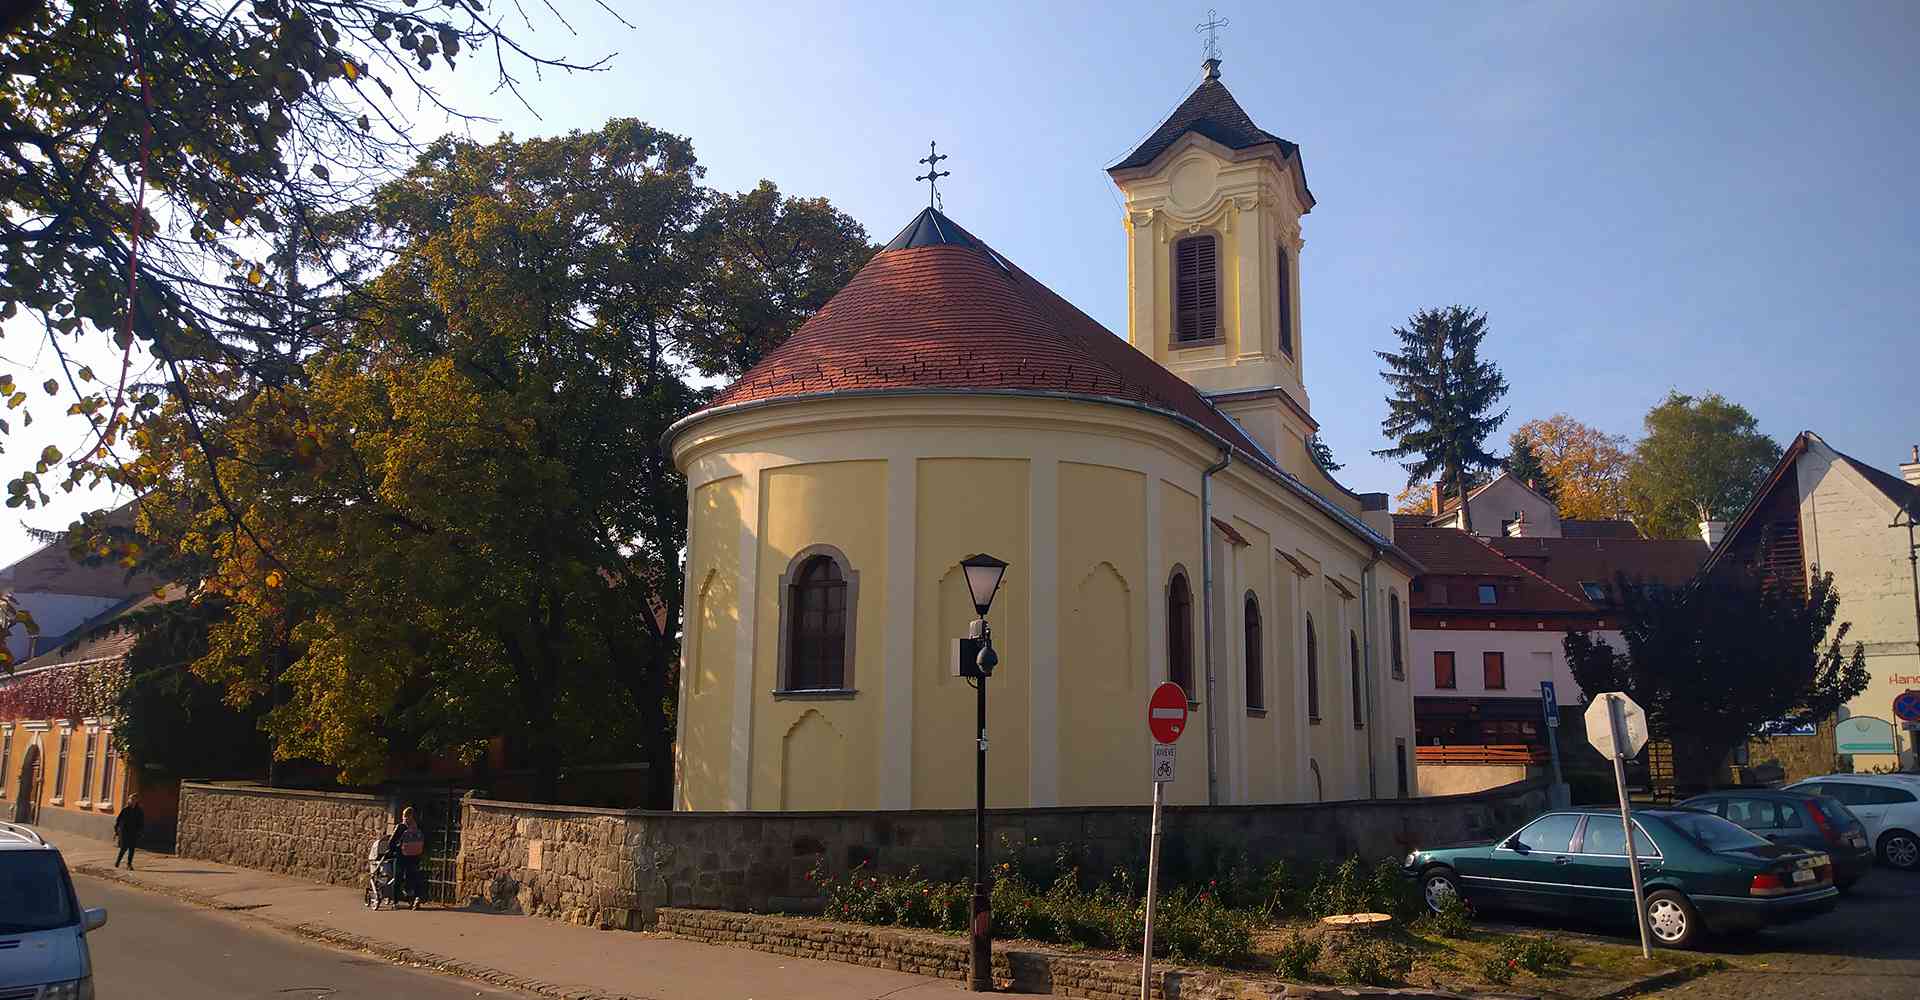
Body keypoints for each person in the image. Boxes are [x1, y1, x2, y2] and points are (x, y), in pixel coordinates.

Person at [388, 806, 427, 909]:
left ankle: (395, 902)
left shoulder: (401, 827)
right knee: (412, 877)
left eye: (404, 816)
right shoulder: (419, 827)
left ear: (406, 816)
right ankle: (413, 899)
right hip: (415, 856)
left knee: (398, 878)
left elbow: (391, 842)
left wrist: (392, 851)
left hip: (401, 856)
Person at [113, 793, 145, 869]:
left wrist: (141, 831)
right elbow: (118, 820)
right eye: (131, 799)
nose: (132, 801)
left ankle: (129, 864)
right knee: (124, 848)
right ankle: (118, 861)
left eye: (134, 799)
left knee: (132, 848)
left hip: (134, 831)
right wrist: (116, 831)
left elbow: (141, 821)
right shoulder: (125, 809)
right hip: (124, 831)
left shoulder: (139, 810)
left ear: (137, 800)